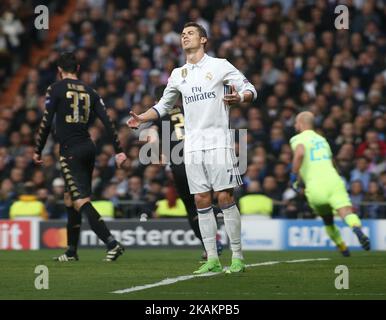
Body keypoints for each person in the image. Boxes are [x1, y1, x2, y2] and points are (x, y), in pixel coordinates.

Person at [123, 22, 257, 274]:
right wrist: (142, 117)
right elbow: (163, 106)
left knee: (225, 197)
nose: (185, 37)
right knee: (201, 200)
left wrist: (239, 97)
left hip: (218, 141)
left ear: (204, 39)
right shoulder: (177, 74)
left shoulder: (220, 66)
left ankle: (237, 257)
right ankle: (212, 259)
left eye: (190, 33)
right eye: (183, 34)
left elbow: (250, 89)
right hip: (192, 146)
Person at [34, 52, 127, 262]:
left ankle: (111, 243)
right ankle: (71, 251)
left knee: (80, 199)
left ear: (59, 70)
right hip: (88, 147)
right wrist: (118, 149)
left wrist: (38, 149)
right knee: (70, 197)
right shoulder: (91, 91)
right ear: (77, 69)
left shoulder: (55, 88)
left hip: (70, 151)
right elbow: (108, 121)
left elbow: (47, 121)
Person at [290, 111, 370, 257]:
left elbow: (300, 154)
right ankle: (356, 227)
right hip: (334, 180)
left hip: (315, 186)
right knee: (346, 212)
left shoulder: (298, 138)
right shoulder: (322, 140)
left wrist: (293, 177)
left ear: (300, 123)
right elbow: (331, 162)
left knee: (328, 220)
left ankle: (342, 246)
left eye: (296, 122)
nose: (295, 125)